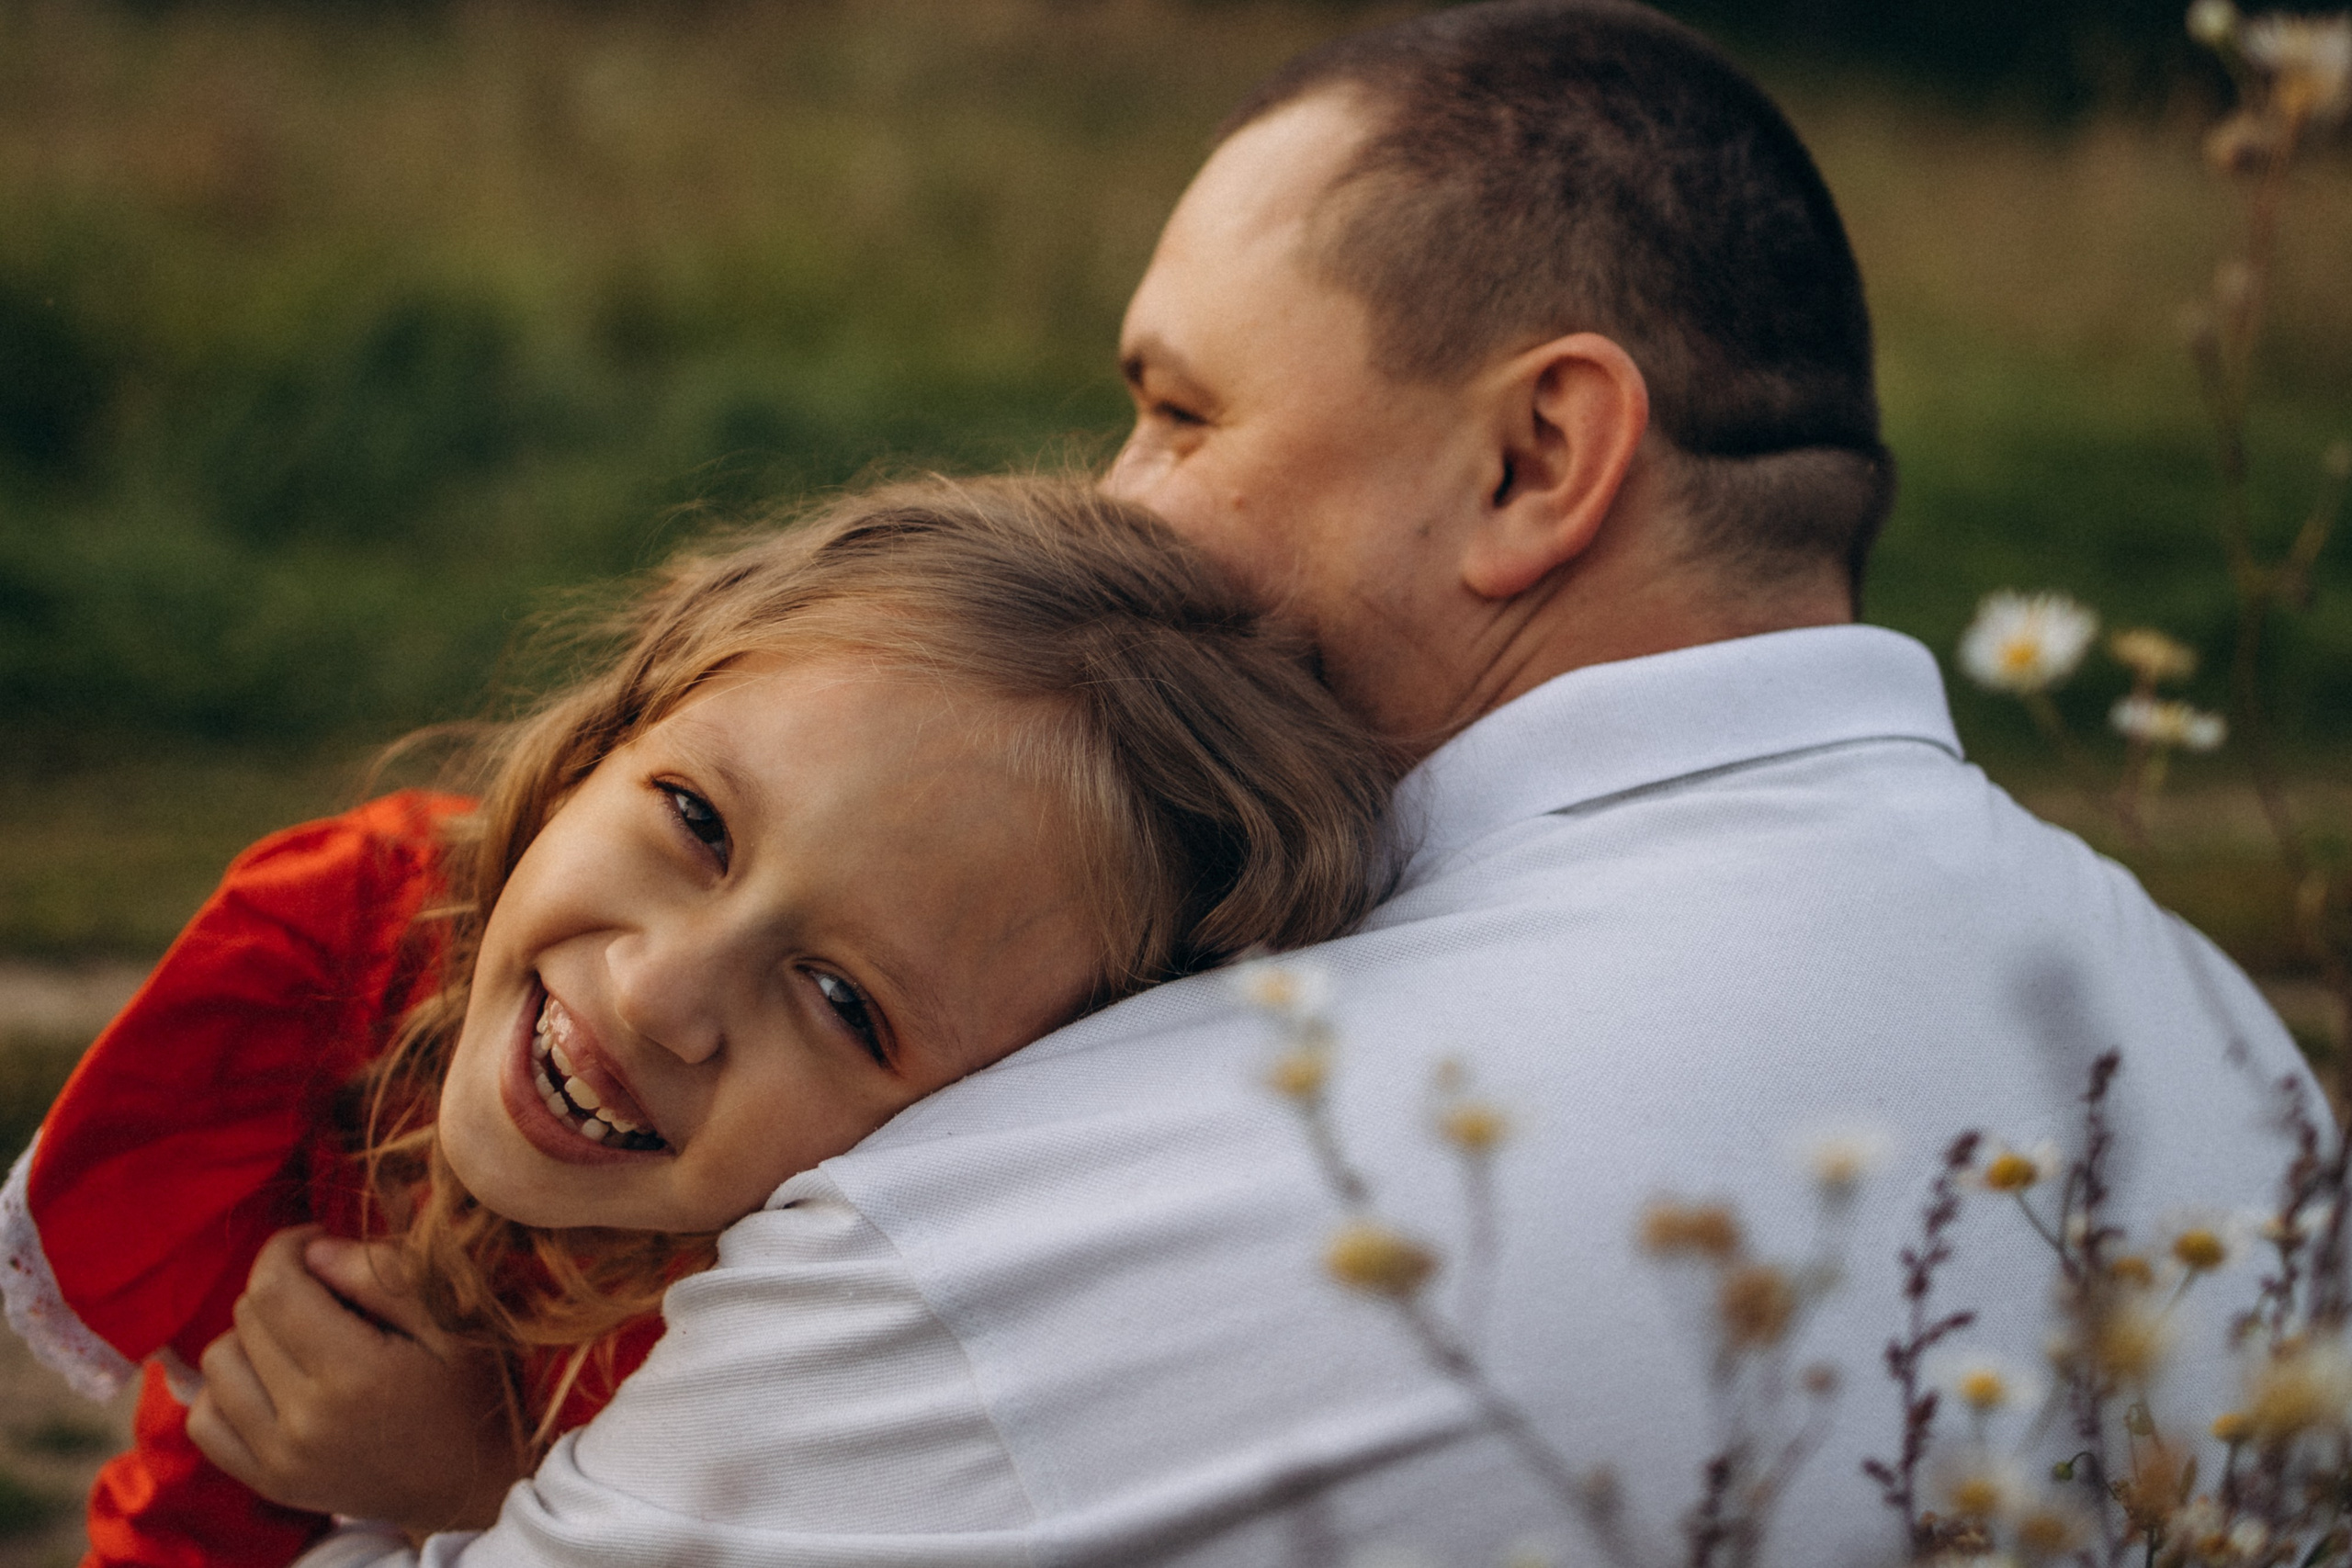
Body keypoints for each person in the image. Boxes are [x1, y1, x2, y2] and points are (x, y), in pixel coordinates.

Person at [184, 2, 2315, 1563]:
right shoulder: (2238, 1075)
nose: (1115, 499)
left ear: (1533, 460)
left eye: (1176, 412)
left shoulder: (1044, 1202)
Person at [0, 477, 1397, 1566]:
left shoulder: (854, 1364)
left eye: (845, 1002)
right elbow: (186, 1502)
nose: (656, 996)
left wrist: (490, 1494)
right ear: (621, 721)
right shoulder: (362, 954)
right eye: (696, 820)